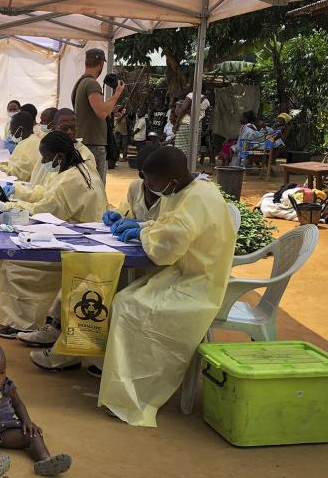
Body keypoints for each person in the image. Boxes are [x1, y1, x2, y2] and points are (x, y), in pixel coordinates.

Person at [99, 146, 236, 427]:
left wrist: (143, 232)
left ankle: (136, 394)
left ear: (171, 180)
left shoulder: (196, 199)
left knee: (129, 307)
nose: (148, 187)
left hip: (200, 283)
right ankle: (124, 384)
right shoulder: (187, 190)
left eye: (152, 182)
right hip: (183, 274)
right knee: (124, 297)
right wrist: (141, 225)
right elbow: (167, 226)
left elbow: (166, 250)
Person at [19, 143, 163, 351]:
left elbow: (168, 232)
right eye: (144, 177)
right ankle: (58, 331)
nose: (148, 184)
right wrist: (118, 218)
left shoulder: (172, 198)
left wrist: (142, 228)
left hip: (152, 266)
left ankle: (80, 349)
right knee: (84, 272)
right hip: (125, 254)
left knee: (97, 285)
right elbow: (126, 212)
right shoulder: (136, 187)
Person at [0, 131, 108, 338]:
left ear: (59, 156)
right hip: (72, 231)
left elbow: (43, 212)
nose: (45, 162)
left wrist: (4, 205)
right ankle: (44, 322)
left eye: (47, 158)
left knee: (14, 263)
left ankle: (24, 322)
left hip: (76, 241)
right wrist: (17, 191)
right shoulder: (75, 169)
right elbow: (46, 194)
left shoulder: (71, 180)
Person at [0, 340, 72, 477]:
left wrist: (26, 420)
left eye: (2, 372)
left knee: (33, 433)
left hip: (5, 430)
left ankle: (45, 460)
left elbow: (18, 404)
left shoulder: (7, 385)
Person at [71, 48, 125, 183]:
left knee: (86, 186)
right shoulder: (91, 83)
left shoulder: (80, 83)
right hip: (93, 144)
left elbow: (92, 111)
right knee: (97, 187)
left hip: (86, 143)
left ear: (86, 62)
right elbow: (101, 112)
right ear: (101, 64)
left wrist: (111, 111)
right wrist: (117, 93)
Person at [2, 112, 39, 182]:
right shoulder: (26, 141)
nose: (11, 133)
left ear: (21, 129)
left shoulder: (31, 143)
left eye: (12, 129)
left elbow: (18, 174)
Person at [173, 92, 210, 160]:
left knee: (180, 147)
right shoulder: (207, 101)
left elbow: (183, 109)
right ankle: (190, 165)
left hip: (185, 125)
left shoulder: (191, 95)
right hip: (197, 126)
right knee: (194, 148)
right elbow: (205, 117)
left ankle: (181, 164)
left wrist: (176, 123)